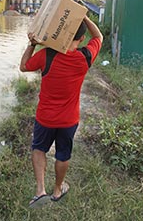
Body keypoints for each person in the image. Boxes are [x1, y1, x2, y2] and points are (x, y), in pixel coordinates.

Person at [20, 15, 103, 208]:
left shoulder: (47, 54)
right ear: (81, 39)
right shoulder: (85, 57)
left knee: (39, 148)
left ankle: (40, 190)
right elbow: (98, 36)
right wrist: (84, 16)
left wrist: (32, 44)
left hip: (45, 118)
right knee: (63, 154)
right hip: (69, 120)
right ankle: (58, 190)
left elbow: (24, 66)